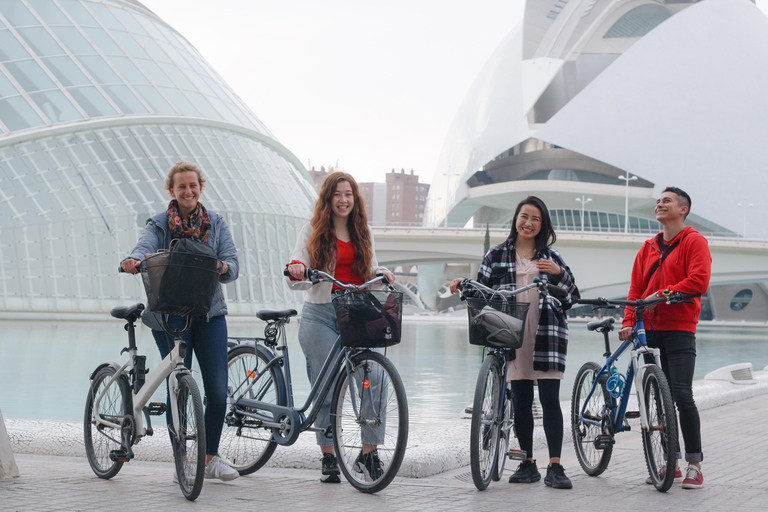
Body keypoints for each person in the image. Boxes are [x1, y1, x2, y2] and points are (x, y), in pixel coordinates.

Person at [449, 196, 580, 490]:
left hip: (547, 332)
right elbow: (481, 291)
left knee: (549, 399)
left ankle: (555, 465)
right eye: (524, 216)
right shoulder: (496, 255)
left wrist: (559, 274)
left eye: (535, 219)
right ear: (515, 219)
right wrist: (463, 283)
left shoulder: (551, 258)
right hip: (510, 332)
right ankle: (528, 462)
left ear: (542, 225)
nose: (528, 223)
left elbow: (571, 297)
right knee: (521, 398)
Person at [121, 161, 240, 482]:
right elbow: (145, 246)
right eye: (181, 187)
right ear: (171, 191)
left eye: (193, 185)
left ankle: (210, 458)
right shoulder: (160, 224)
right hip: (169, 315)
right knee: (179, 388)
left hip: (209, 314)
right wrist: (134, 259)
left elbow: (233, 263)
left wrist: (224, 267)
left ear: (200, 187)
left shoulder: (215, 223)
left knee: (217, 391)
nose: (188, 191)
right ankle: (182, 460)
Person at [285, 171, 395, 483]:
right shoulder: (312, 229)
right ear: (328, 199)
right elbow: (297, 266)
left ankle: (368, 454)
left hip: (357, 314)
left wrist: (382, 272)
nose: (343, 200)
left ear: (354, 199)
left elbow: (370, 269)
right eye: (337, 194)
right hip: (320, 314)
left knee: (373, 378)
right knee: (327, 386)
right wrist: (298, 271)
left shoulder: (363, 231)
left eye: (348, 194)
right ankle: (329, 455)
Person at [618, 186, 711, 490]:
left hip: (681, 328)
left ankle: (694, 465)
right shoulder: (647, 247)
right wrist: (629, 320)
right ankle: (669, 462)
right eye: (658, 201)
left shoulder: (694, 241)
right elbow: (635, 291)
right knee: (659, 397)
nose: (660, 204)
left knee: (682, 395)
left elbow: (698, 280)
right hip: (650, 330)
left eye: (667, 201)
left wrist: (664, 295)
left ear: (683, 209)